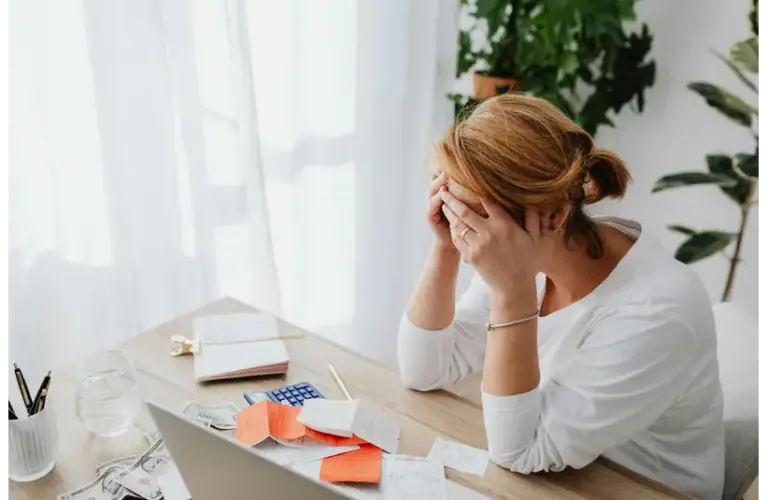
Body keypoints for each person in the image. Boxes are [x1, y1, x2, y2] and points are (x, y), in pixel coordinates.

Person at [398, 94, 725, 500]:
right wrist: (444, 247)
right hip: (560, 477)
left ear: (553, 215)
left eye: (470, 216)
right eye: (449, 208)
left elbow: (519, 451)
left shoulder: (658, 310)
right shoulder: (528, 249)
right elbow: (424, 370)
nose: (466, 235)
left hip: (638, 488)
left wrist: (512, 292)